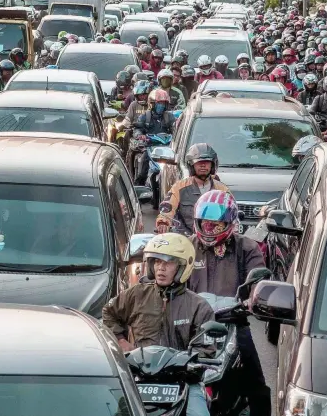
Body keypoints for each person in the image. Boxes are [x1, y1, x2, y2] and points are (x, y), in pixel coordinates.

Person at [102, 233, 215, 416]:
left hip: (182, 381)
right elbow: (108, 313)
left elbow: (207, 348)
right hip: (139, 377)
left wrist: (189, 363)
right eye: (156, 262)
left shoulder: (199, 306)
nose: (161, 268)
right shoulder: (137, 294)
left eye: (168, 263)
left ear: (181, 267)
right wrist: (121, 341)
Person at [186, 191, 271, 416]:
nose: (209, 228)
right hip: (190, 325)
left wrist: (254, 298)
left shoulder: (247, 248)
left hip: (233, 324)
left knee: (256, 384)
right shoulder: (186, 247)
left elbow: (259, 281)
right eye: (204, 223)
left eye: (215, 224)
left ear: (229, 223)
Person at [157, 144, 229, 236]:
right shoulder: (179, 187)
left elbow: (232, 214)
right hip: (185, 239)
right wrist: (163, 222)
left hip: (214, 238)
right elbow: (167, 208)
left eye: (206, 162)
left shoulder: (222, 189)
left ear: (213, 165)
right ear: (191, 165)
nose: (203, 165)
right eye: (199, 162)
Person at [133, 89, 176, 185]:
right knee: (143, 167)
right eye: (159, 103)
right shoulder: (145, 116)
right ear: (152, 103)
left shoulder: (169, 117)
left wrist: (176, 134)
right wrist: (140, 135)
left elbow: (175, 129)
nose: (161, 105)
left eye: (163, 103)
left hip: (167, 149)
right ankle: (139, 188)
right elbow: (137, 129)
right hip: (150, 148)